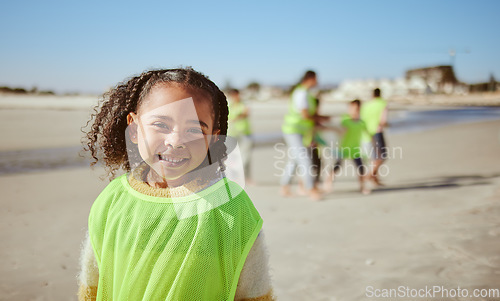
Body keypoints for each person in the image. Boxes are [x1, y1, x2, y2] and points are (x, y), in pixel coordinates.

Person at [78, 68, 274, 301]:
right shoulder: (112, 200)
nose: (176, 141)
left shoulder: (232, 208)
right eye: (161, 124)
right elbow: (92, 283)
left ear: (212, 138)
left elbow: (254, 292)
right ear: (134, 127)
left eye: (194, 129)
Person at [280, 70, 328, 201]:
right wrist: (321, 118)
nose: (317, 82)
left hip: (301, 132)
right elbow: (305, 115)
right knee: (304, 159)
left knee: (295, 160)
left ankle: (284, 187)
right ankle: (311, 189)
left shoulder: (306, 93)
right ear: (310, 79)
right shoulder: (301, 93)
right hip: (294, 130)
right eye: (316, 79)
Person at [323, 100, 370, 194]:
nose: (354, 111)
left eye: (356, 109)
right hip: (344, 148)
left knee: (360, 168)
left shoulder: (362, 123)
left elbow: (368, 134)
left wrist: (372, 144)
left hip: (355, 149)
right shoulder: (345, 120)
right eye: (351, 108)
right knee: (337, 166)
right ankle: (328, 182)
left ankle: (362, 186)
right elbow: (339, 130)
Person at [360, 88, 388, 185]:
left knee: (374, 157)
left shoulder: (366, 105)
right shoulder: (382, 103)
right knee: (381, 157)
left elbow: (362, 119)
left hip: (366, 133)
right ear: (380, 94)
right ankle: (369, 175)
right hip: (377, 131)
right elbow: (383, 121)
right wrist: (387, 125)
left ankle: (375, 180)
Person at [227, 89, 254, 185]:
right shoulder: (229, 105)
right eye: (232, 95)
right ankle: (233, 178)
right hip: (232, 134)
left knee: (246, 157)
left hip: (245, 133)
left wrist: (237, 117)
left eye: (235, 95)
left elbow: (246, 113)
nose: (234, 97)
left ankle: (247, 178)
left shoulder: (243, 104)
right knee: (231, 157)